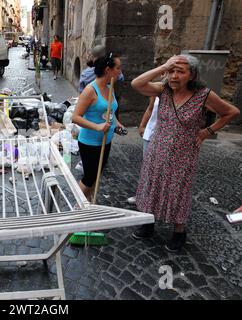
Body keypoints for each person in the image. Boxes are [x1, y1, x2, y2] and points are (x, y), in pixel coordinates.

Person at [131, 54, 240, 253]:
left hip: (184, 153)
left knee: (178, 190)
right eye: (171, 71)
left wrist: (208, 132)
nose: (174, 76)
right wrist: (163, 66)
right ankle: (148, 222)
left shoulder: (203, 95)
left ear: (192, 75)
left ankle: (179, 232)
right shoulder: (163, 90)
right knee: (153, 183)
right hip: (157, 149)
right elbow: (137, 84)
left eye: (180, 71)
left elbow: (231, 112)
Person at [72, 53, 126, 203]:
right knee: (89, 177)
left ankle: (88, 201)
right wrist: (97, 126)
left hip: (106, 140)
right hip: (89, 142)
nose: (120, 71)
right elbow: (75, 117)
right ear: (108, 70)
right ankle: (77, 208)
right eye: (118, 68)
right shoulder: (90, 90)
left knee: (96, 175)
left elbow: (110, 112)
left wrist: (117, 124)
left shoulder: (110, 88)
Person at [126, 96, 159, 204]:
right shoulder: (157, 90)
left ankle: (158, 198)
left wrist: (206, 132)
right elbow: (150, 108)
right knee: (147, 167)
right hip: (151, 134)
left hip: (167, 137)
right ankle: (142, 195)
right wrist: (142, 125)